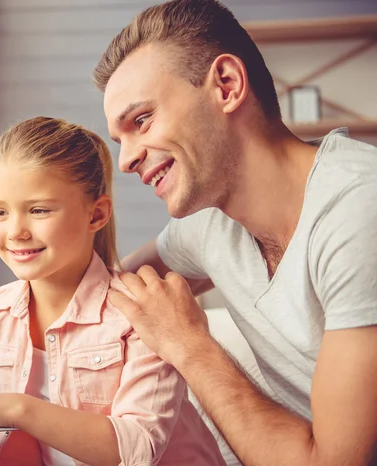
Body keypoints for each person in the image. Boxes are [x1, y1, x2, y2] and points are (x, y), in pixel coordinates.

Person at [92, 1, 377, 465]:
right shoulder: (208, 223)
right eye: (118, 139)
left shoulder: (358, 212)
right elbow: (109, 287)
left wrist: (189, 345)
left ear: (227, 85)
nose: (124, 160)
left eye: (140, 120)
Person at [0, 117, 225, 466]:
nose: (15, 231)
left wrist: (17, 408)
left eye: (38, 210)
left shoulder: (140, 318)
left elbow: (137, 447)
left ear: (96, 215)